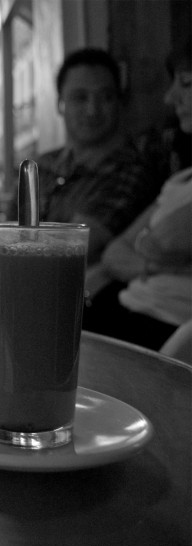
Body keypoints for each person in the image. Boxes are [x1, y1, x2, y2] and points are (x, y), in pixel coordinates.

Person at [82, 37, 192, 352]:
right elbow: (117, 251)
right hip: (122, 305)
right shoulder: (181, 179)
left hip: (165, 329)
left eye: (186, 84)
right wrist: (157, 263)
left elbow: (165, 239)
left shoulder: (131, 169)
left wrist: (145, 248)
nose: (171, 98)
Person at [36, 48, 159, 265]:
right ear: (59, 104)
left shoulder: (131, 171)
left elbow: (74, 248)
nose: (93, 110)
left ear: (120, 102)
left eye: (106, 97)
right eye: (80, 97)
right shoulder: (42, 165)